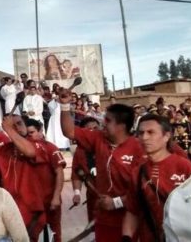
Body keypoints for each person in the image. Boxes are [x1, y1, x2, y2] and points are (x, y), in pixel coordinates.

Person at [59, 90, 144, 241]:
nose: (103, 122)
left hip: (132, 220)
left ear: (121, 126)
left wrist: (116, 203)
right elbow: (69, 131)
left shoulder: (139, 148)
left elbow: (143, 190)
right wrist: (65, 105)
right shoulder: (98, 138)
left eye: (108, 120)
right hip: (104, 219)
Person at [122, 114, 191, 242]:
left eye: (151, 132)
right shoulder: (137, 172)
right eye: (141, 133)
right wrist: (126, 238)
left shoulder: (187, 168)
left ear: (166, 136)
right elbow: (132, 211)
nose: (144, 137)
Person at [0, 115, 53, 241]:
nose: (16, 128)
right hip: (9, 209)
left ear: (26, 126)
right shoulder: (2, 150)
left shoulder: (38, 145)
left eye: (19, 124)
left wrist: (9, 129)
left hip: (32, 209)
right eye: (13, 125)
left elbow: (30, 152)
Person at [25, 119, 65, 241]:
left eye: (31, 132)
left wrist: (56, 196)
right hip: (31, 201)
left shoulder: (51, 148)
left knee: (54, 231)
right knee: (32, 233)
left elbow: (59, 172)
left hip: (49, 199)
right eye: (27, 134)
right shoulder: (21, 150)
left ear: (40, 131)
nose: (29, 136)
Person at [71, 117, 100, 222]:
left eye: (96, 128)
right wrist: (77, 193)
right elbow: (77, 174)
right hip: (94, 197)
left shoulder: (110, 145)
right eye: (89, 129)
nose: (93, 132)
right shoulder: (79, 152)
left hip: (115, 197)